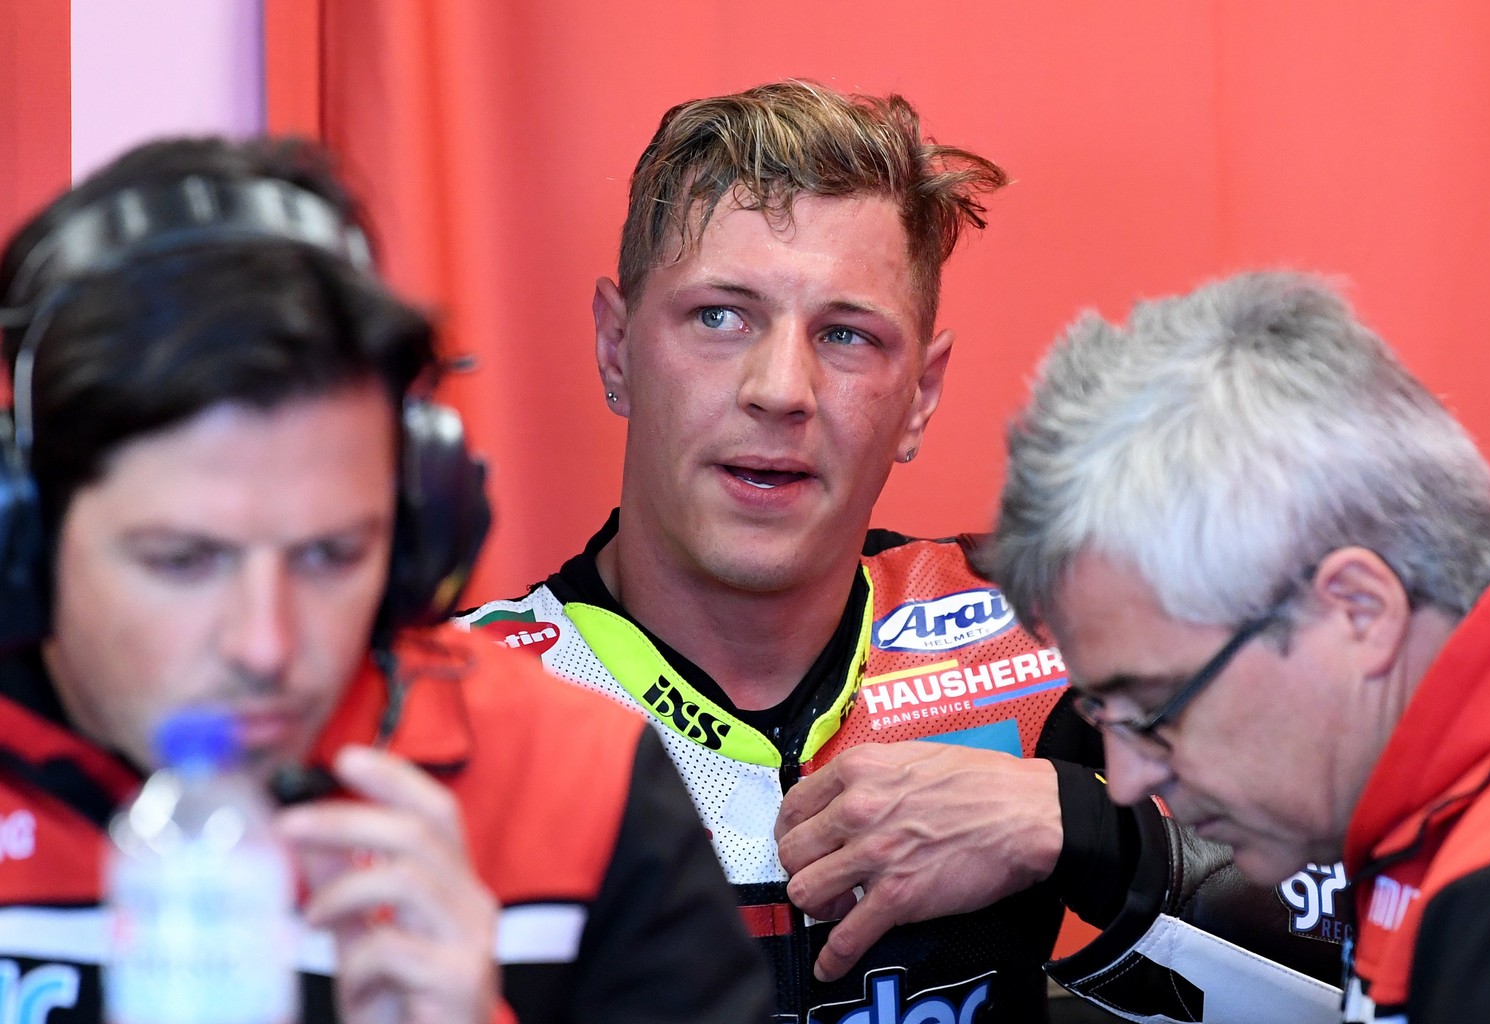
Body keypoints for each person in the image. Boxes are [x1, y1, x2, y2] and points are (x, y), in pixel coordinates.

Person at [461, 81, 1343, 1023]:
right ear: (615, 348)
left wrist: (1070, 822)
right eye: (721, 316)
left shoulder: (1039, 638)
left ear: (920, 395)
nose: (780, 389)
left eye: (846, 335)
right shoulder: (460, 708)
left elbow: (1392, 939)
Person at [0, 136, 771, 1024]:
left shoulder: (579, 786)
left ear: (412, 538)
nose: (265, 646)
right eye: (183, 561)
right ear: (28, 531)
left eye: (331, 556)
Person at [990, 269, 1490, 1022]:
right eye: (1101, 715)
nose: (1125, 780)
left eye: (1155, 709)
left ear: (1357, 610)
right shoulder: (1441, 821)